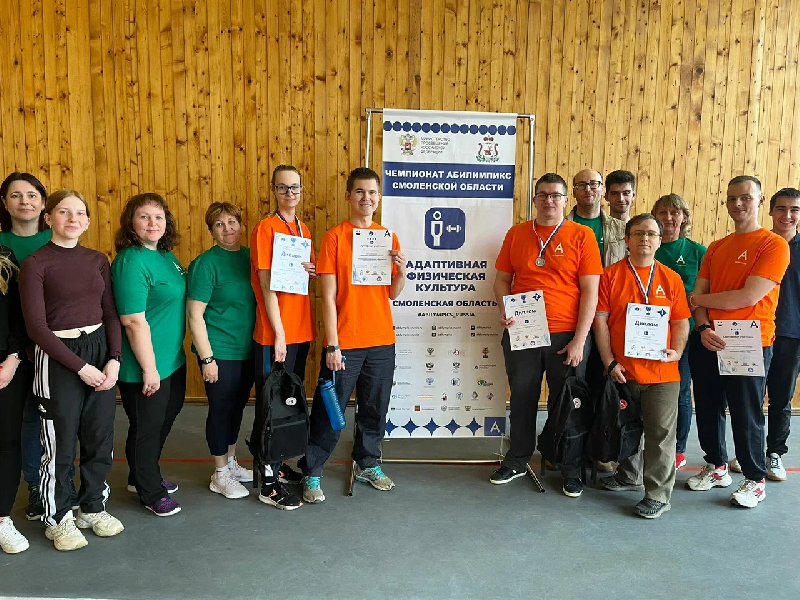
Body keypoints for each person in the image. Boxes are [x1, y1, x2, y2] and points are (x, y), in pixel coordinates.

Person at [20, 189, 124, 551]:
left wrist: (114, 358)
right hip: (58, 358)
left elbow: (111, 313)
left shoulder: (97, 260)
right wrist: (80, 367)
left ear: (88, 221)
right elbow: (36, 328)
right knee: (60, 443)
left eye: (80, 213)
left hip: (99, 351)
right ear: (48, 218)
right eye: (64, 212)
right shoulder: (36, 263)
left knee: (99, 437)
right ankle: (58, 517)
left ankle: (92, 507)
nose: (73, 219)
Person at [298, 167, 406, 503]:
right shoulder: (335, 237)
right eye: (360, 191)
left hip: (382, 341)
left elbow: (391, 293)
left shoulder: (388, 237)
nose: (366, 198)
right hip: (345, 343)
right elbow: (328, 296)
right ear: (348, 196)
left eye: (372, 192)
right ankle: (313, 470)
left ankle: (368, 463)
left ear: (379, 198)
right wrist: (333, 344)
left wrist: (402, 272)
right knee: (330, 412)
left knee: (375, 409)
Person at [491, 172, 602, 497]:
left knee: (568, 403)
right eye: (543, 195)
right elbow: (502, 281)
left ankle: (569, 466)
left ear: (566, 201)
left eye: (555, 195)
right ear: (535, 199)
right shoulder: (517, 234)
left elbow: (590, 291)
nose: (549, 200)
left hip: (566, 334)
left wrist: (580, 340)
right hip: (523, 332)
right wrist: (504, 308)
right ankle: (517, 459)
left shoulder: (582, 235)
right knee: (522, 397)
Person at [686, 176, 790, 508]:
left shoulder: (774, 245)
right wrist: (703, 327)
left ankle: (755, 479)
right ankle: (716, 466)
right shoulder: (717, 247)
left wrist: (698, 301)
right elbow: (698, 295)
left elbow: (747, 296)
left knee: (746, 413)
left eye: (745, 198)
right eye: (732, 198)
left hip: (748, 340)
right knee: (707, 407)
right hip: (708, 338)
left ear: (760, 201)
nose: (738, 204)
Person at [593, 214, 690, 518]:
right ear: (627, 239)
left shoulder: (671, 279)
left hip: (662, 373)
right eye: (638, 233)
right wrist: (609, 362)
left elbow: (681, 322)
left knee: (660, 435)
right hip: (623, 371)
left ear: (660, 241)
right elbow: (600, 321)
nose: (644, 239)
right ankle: (628, 476)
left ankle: (658, 495)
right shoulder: (610, 276)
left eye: (651, 234)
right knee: (627, 427)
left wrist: (678, 352)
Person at [112, 193, 187, 517]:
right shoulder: (131, 261)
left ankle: (141, 475)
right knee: (147, 427)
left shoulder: (165, 255)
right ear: (131, 223)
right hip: (144, 364)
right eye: (144, 216)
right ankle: (150, 491)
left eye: (158, 217)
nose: (153, 223)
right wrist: (149, 368)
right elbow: (132, 321)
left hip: (171, 358)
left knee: (162, 420)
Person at [250, 165, 316, 510]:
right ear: (274, 191)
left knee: (287, 403)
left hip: (300, 330)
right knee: (270, 406)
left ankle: (275, 463)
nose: (290, 193)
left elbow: (301, 277)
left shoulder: (303, 229)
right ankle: (268, 482)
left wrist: (312, 271)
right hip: (275, 334)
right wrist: (279, 334)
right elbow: (266, 283)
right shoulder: (266, 227)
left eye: (295, 188)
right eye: (283, 187)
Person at [0, 172, 59, 521]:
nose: (25, 201)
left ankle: (58, 485)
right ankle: (35, 487)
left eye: (32, 194)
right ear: (5, 204)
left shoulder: (59, 239)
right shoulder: (1, 247)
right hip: (15, 349)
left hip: (57, 347)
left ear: (43, 202)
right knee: (25, 420)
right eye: (16, 195)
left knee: (54, 419)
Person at [187, 202, 256, 501]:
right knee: (220, 409)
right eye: (219, 224)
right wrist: (207, 359)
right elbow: (195, 315)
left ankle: (230, 462)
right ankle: (219, 473)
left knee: (237, 408)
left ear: (241, 225)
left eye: (232, 222)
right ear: (211, 231)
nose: (227, 229)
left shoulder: (251, 257)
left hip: (247, 349)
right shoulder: (206, 264)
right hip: (219, 350)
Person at [651, 194, 706, 469]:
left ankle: (678, 449)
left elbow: (705, 293)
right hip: (648, 332)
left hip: (686, 332)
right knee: (647, 390)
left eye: (675, 212)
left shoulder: (697, 251)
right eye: (662, 213)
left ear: (684, 217)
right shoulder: (647, 247)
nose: (669, 218)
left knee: (682, 390)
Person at [761, 187, 800, 481]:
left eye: (794, 210)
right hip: (754, 333)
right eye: (781, 208)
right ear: (771, 211)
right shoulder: (760, 244)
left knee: (781, 399)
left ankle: (774, 453)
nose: (787, 215)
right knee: (748, 398)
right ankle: (749, 450)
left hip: (791, 335)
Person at [0, 244, 31, 553]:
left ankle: (1, 519)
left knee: (6, 442)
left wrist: (12, 358)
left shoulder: (5, 257)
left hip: (5, 367)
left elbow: (20, 317)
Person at [566, 168, 627, 267]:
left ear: (603, 190)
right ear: (574, 192)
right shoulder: (560, 227)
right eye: (581, 185)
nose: (588, 189)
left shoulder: (621, 229)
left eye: (593, 184)